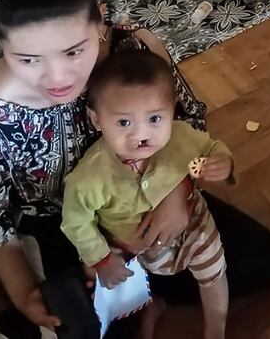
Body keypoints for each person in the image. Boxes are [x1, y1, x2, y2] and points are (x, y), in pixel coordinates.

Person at [0, 0, 270, 338]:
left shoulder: (135, 51)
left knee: (263, 261)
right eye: (28, 59)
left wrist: (178, 192)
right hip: (66, 224)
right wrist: (23, 293)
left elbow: (186, 122)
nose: (58, 77)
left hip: (151, 189)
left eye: (74, 50)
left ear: (101, 19)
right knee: (83, 328)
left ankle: (139, 294)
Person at [62, 49, 233, 339]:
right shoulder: (88, 178)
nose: (141, 134)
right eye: (124, 122)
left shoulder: (180, 136)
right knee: (117, 290)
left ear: (172, 109)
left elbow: (212, 147)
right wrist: (102, 259)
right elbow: (75, 221)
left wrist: (224, 163)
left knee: (214, 275)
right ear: (96, 119)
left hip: (193, 226)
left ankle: (215, 328)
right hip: (131, 249)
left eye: (155, 118)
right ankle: (148, 312)